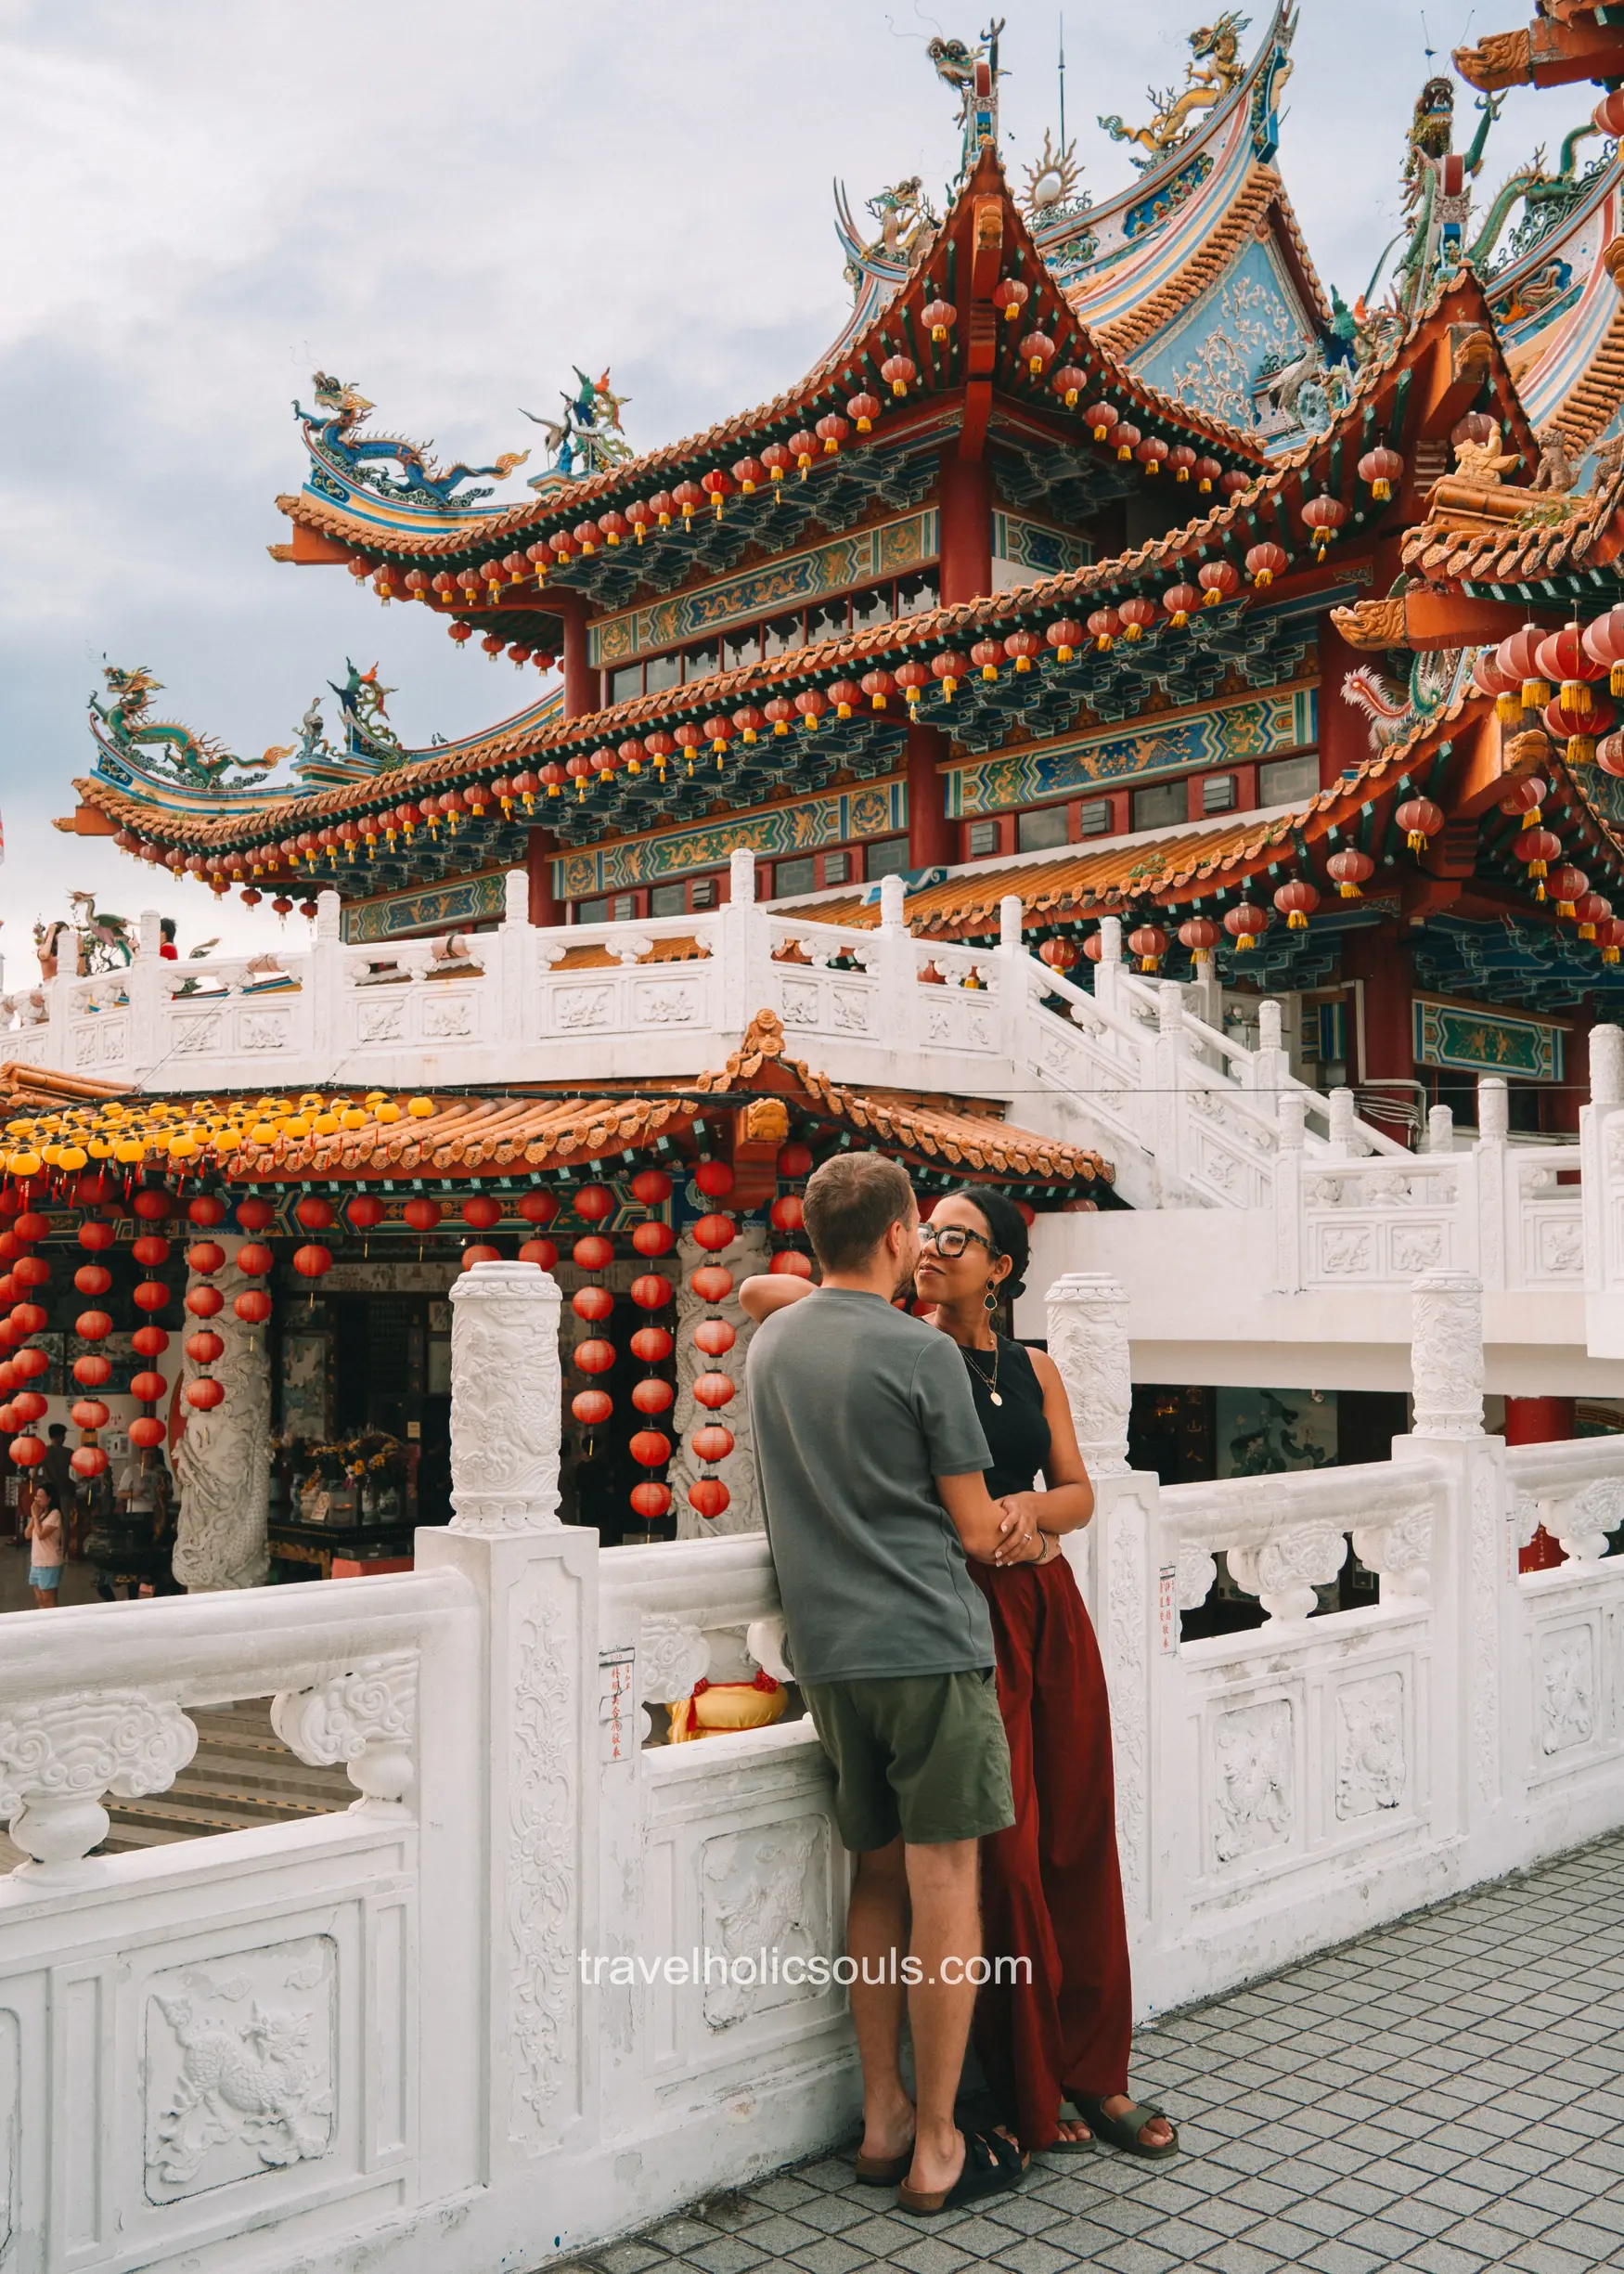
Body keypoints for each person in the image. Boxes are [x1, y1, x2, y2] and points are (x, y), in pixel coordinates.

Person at [742, 1186, 1178, 2164]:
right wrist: (861, 1276)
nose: (934, 1246)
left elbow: (1078, 1490)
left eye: (959, 1237)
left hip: (1042, 1608)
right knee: (1001, 1855)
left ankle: (1092, 2069)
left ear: (1002, 1268)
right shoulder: (897, 1340)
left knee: (1074, 1836)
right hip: (949, 1615)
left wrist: (1037, 1515)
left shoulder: (1033, 1369)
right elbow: (772, 1291)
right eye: (924, 1229)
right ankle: (1018, 2082)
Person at [744, 1152, 1038, 2215]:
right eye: (919, 1229)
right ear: (895, 1237)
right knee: (944, 1886)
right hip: (924, 1641)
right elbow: (971, 1525)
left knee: (873, 1880)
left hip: (827, 1658)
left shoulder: (772, 1342)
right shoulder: (922, 1353)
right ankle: (941, 2143)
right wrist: (1028, 1532)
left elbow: (763, 1291)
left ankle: (881, 2119)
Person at [24, 1482, 65, 1606]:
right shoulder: (40, 1514)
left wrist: (35, 1517)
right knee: (40, 1599)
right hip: (36, 1561)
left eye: (41, 1496)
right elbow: (27, 1534)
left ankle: (54, 1623)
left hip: (49, 1562)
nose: (37, 1499)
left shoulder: (55, 1514)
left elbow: (42, 1535)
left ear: (49, 1498)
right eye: (36, 1496)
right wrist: (34, 1516)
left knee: (49, 1599)